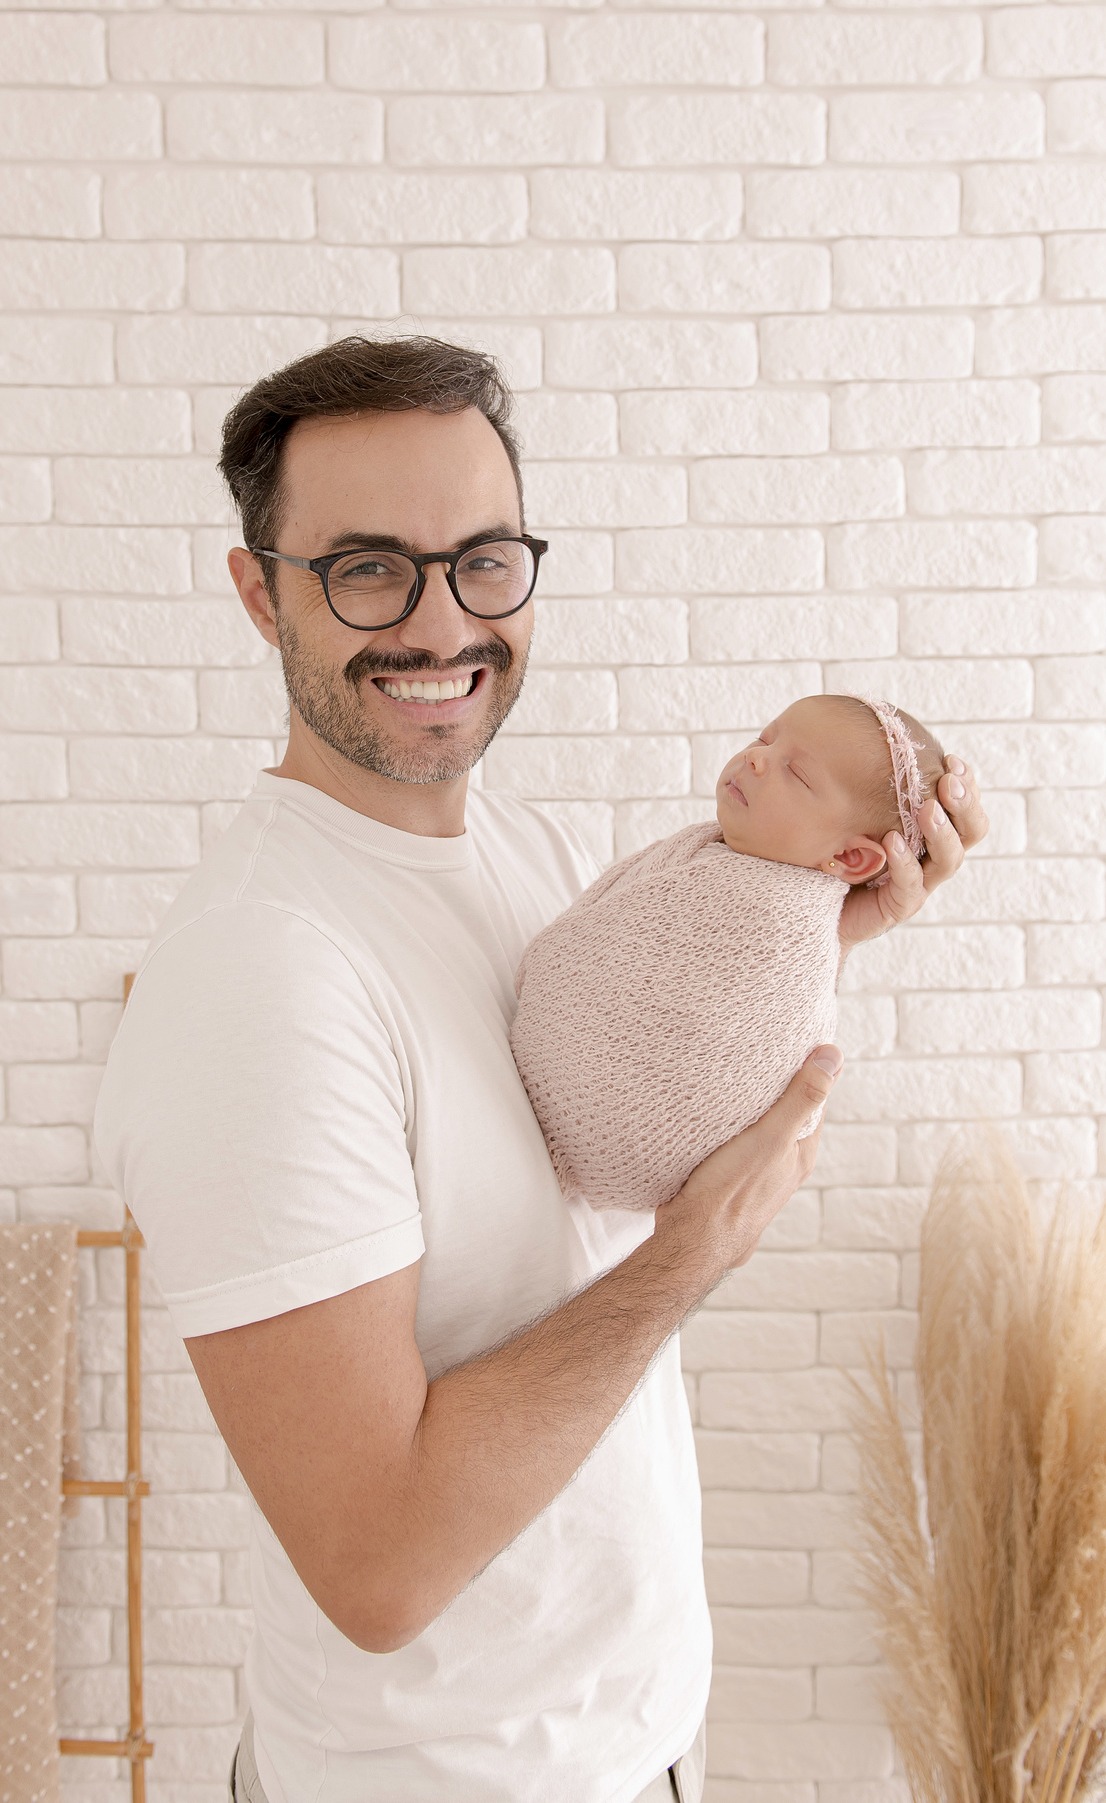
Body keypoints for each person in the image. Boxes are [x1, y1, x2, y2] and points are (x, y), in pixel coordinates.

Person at [93, 336, 987, 1803]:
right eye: (367, 570)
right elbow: (378, 1561)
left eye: (483, 561)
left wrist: (822, 925)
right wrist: (694, 1252)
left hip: (631, 1745)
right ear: (261, 594)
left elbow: (606, 1146)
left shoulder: (530, 850)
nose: (442, 621)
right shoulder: (261, 978)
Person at [512, 694, 946, 1215]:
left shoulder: (784, 925)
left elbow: (751, 1045)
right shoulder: (707, 850)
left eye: (797, 773)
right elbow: (612, 940)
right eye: (765, 739)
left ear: (850, 856)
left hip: (632, 1133)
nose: (756, 758)